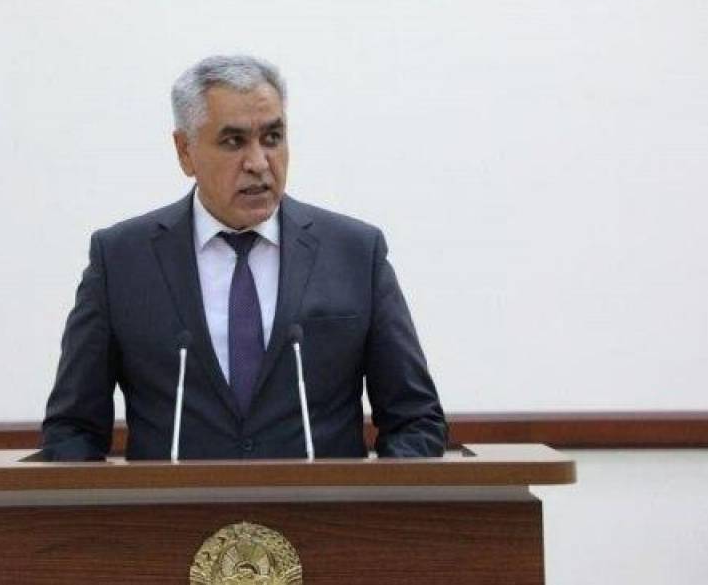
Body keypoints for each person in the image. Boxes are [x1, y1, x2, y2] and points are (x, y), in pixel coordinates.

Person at [41, 55, 446, 461]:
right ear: (185, 151)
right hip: (174, 503)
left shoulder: (355, 253)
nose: (258, 163)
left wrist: (377, 496)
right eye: (233, 142)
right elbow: (73, 430)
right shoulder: (122, 261)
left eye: (272, 137)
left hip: (320, 503)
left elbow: (415, 421)